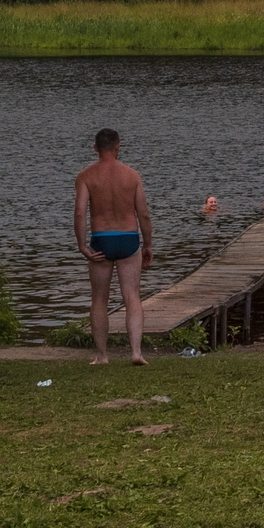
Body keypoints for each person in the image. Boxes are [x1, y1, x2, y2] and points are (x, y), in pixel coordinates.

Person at [75, 128, 155, 367]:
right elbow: (143, 213)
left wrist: (82, 246)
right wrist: (148, 244)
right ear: (118, 146)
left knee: (99, 299)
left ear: (95, 148)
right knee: (132, 296)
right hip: (128, 238)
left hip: (101, 239)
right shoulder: (132, 175)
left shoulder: (86, 176)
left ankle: (102, 356)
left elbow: (80, 212)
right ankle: (136, 353)